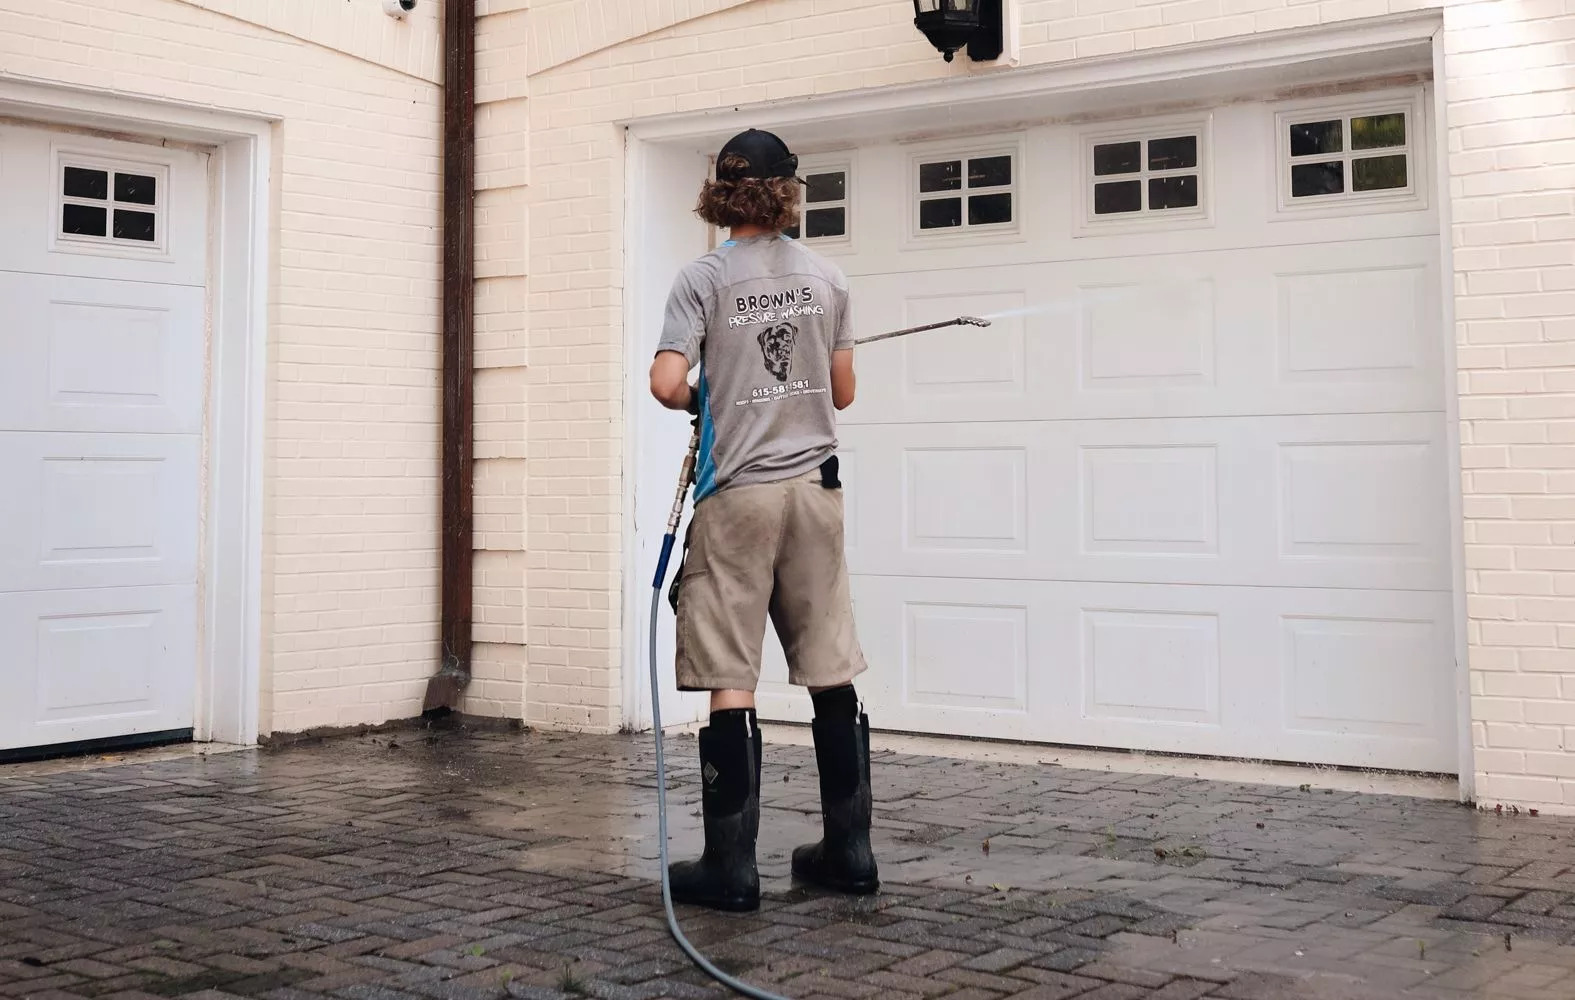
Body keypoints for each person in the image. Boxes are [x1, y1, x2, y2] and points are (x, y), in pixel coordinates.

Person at [649, 128, 878, 913]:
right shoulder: (826, 276)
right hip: (814, 494)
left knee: (730, 675)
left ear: (721, 192)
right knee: (829, 667)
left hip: (737, 496)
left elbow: (664, 382)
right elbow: (841, 394)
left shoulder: (702, 278)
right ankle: (849, 853)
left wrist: (702, 399)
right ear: (786, 191)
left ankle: (730, 870)